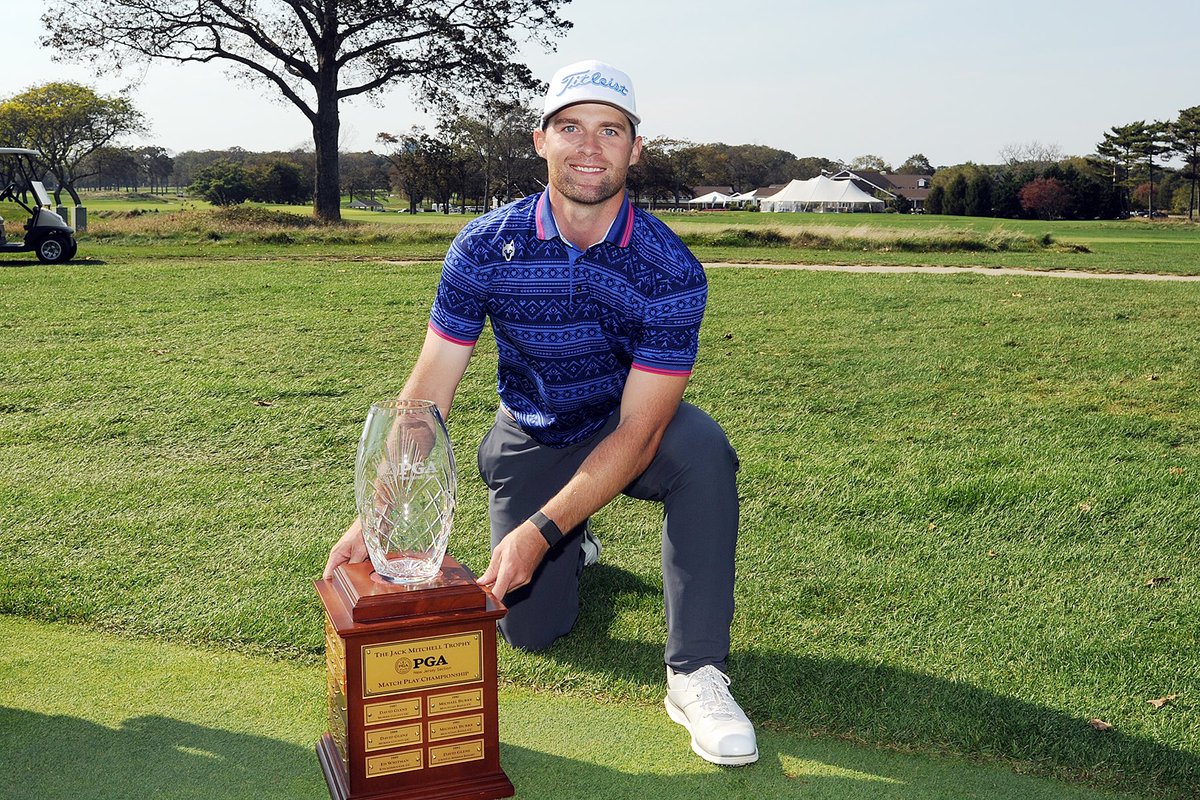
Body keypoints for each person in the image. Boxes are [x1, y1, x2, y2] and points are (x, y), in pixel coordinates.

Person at [323, 59, 757, 767]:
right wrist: (375, 519)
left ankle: (695, 673)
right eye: (571, 128)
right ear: (540, 141)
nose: (591, 146)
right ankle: (577, 546)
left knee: (702, 451)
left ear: (634, 148)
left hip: (628, 427)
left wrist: (538, 531)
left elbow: (641, 430)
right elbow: (427, 393)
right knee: (529, 629)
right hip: (532, 430)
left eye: (610, 130)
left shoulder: (670, 268)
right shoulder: (484, 245)